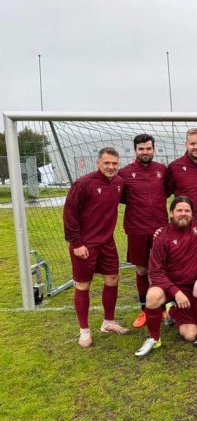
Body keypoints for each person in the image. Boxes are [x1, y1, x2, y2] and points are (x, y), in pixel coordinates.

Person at [63, 147, 128, 348]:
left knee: (113, 279)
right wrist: (76, 243)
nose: (111, 167)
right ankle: (84, 331)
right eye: (107, 163)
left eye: (114, 163)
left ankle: (108, 322)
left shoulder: (119, 183)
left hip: (107, 242)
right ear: (98, 163)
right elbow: (69, 214)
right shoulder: (83, 183)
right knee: (83, 285)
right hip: (85, 244)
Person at [135, 196, 197, 357]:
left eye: (187, 211)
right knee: (152, 296)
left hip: (190, 287)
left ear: (193, 214)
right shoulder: (162, 236)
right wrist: (176, 292)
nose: (183, 214)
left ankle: (172, 311)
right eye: (179, 210)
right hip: (169, 286)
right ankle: (154, 338)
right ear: (171, 212)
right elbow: (155, 272)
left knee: (190, 335)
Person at [118, 134, 168, 328]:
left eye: (148, 148)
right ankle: (144, 309)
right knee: (141, 269)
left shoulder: (162, 170)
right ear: (135, 150)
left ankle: (162, 308)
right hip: (137, 229)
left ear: (153, 149)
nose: (145, 152)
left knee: (160, 269)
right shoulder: (124, 173)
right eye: (141, 149)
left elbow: (167, 191)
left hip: (160, 228)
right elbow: (122, 197)